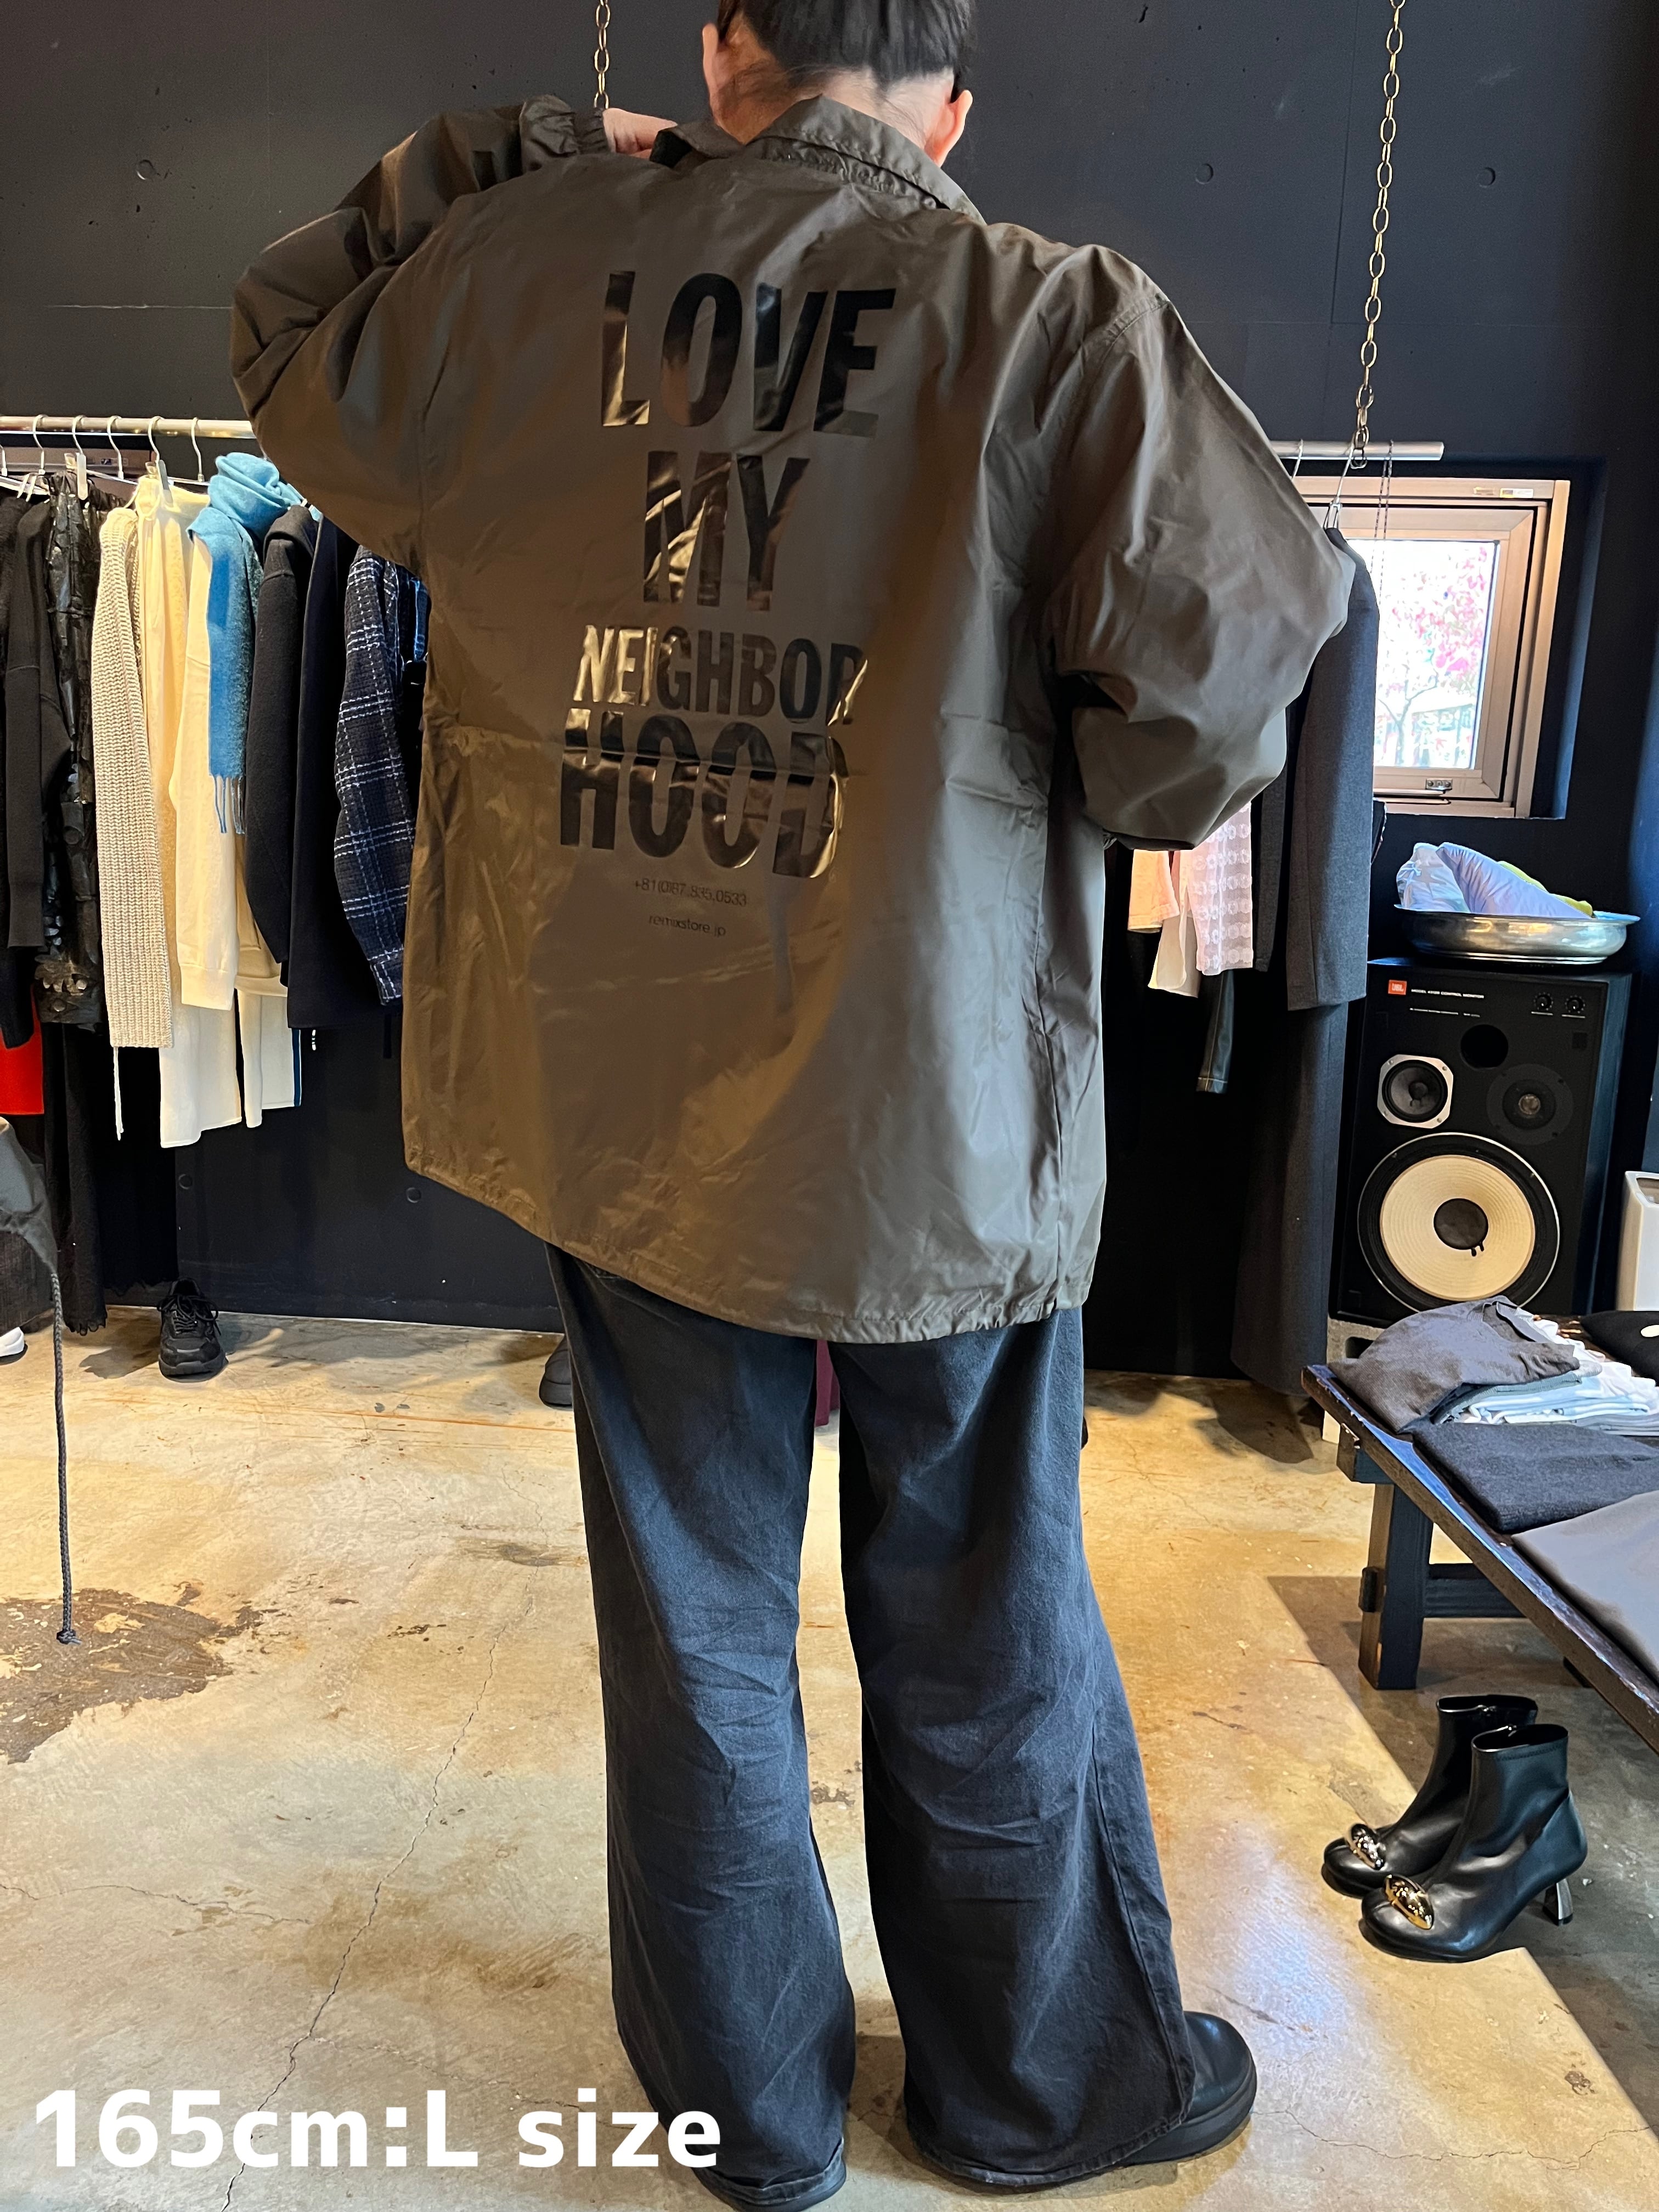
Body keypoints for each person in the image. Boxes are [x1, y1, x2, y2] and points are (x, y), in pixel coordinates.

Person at [231, 2, 1350, 2200]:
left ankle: (750, 2118)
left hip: (619, 1091)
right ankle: (1035, 2091)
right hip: (931, 1092)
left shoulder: (518, 278)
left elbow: (284, 336)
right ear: (951, 99)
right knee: (986, 1604)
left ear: (721, 48)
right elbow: (1217, 709)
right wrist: (1054, 759)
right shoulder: (1049, 321)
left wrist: (532, 144)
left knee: (693, 1620)